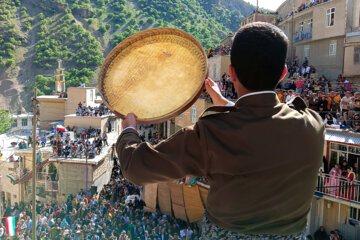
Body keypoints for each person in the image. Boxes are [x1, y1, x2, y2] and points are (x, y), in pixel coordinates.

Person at [116, 22, 325, 238]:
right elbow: (263, 124)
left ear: (231, 72)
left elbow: (134, 167)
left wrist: (128, 130)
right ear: (282, 73)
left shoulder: (211, 133)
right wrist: (225, 104)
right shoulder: (313, 124)